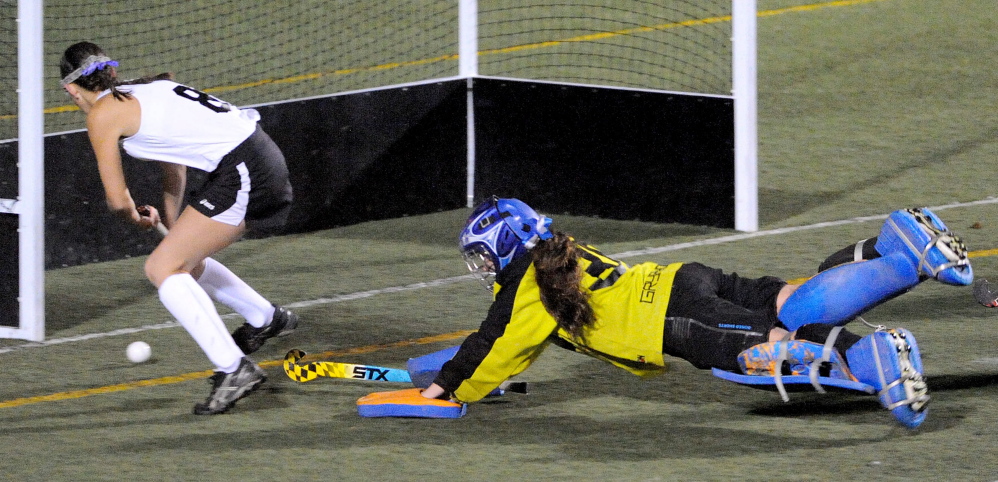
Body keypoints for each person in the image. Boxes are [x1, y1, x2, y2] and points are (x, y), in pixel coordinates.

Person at [357, 197, 972, 428]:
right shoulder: (558, 254)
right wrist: (439, 363)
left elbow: (497, 346)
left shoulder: (526, 290)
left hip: (674, 322)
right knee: (791, 300)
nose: (482, 269)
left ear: (502, 252)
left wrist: (444, 388)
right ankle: (902, 254)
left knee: (762, 355)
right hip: (685, 280)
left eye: (482, 258)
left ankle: (873, 360)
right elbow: (503, 338)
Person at [60, 41, 299, 415]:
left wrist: (135, 218)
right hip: (253, 160)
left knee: (160, 268)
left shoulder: (103, 114)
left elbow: (117, 201)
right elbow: (175, 165)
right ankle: (267, 318)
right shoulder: (147, 89)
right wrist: (173, 225)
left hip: (245, 170)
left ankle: (234, 369)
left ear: (71, 89)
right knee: (179, 259)